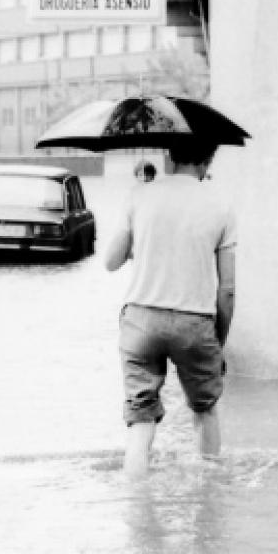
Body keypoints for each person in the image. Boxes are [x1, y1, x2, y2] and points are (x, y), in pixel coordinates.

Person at [103, 138, 236, 475]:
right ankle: (210, 500)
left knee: (140, 420)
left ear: (168, 156)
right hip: (195, 322)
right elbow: (228, 290)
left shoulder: (140, 194)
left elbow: (111, 261)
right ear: (207, 162)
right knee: (205, 411)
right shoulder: (221, 205)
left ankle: (138, 507)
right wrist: (219, 340)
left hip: (140, 321)